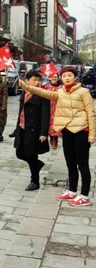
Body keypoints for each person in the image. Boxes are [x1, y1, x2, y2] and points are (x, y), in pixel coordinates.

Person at [20, 66, 96, 206]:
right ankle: (72, 190)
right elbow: (45, 93)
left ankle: (84, 195)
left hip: (82, 131)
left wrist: (92, 134)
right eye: (64, 76)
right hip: (67, 131)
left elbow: (91, 113)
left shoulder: (84, 92)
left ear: (75, 77)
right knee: (70, 162)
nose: (67, 78)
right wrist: (27, 87)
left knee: (82, 164)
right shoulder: (60, 92)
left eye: (70, 75)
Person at [14, 71, 50, 191]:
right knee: (20, 153)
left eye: (39, 80)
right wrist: (16, 128)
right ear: (27, 81)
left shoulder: (43, 94)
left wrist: (43, 132)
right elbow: (21, 111)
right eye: (34, 80)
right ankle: (38, 165)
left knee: (31, 155)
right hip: (22, 127)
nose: (37, 82)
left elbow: (46, 115)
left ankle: (35, 182)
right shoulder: (24, 92)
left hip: (34, 130)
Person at [43, 72, 62, 149]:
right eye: (52, 77)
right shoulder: (46, 86)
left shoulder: (61, 87)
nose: (54, 78)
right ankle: (51, 137)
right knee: (49, 124)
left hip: (58, 109)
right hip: (48, 108)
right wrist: (42, 86)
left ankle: (55, 139)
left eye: (55, 77)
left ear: (58, 78)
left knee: (56, 124)